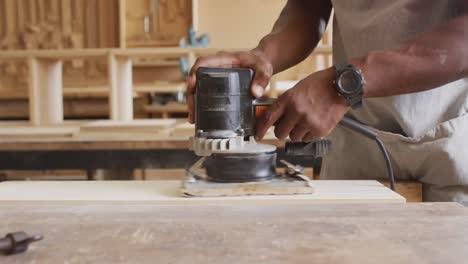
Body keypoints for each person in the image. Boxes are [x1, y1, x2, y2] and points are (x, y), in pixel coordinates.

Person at [186, 0, 468, 202]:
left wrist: (346, 84)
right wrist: (266, 56)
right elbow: (309, 7)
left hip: (444, 140)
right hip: (356, 143)